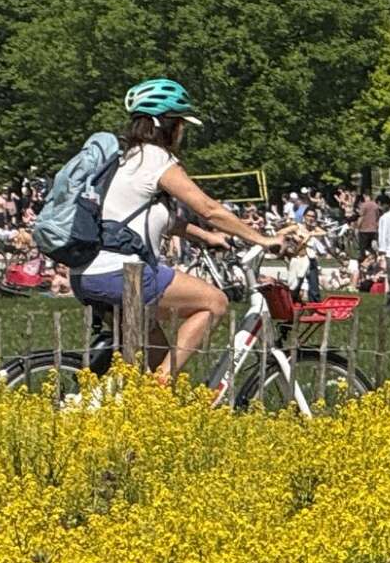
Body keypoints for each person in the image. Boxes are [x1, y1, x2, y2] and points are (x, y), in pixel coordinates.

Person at [70, 78, 291, 382]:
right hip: (120, 272)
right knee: (214, 302)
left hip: (91, 272)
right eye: (181, 124)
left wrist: (208, 237)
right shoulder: (155, 158)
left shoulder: (127, 159)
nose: (183, 132)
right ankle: (157, 394)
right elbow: (208, 208)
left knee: (158, 360)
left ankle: (149, 405)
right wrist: (263, 240)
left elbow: (160, 219)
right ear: (166, 125)